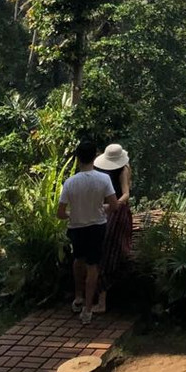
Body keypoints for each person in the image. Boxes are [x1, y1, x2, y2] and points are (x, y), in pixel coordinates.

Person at [57, 139, 117, 325]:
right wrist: (101, 210)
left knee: (78, 259)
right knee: (93, 266)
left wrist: (73, 213)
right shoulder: (103, 179)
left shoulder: (70, 182)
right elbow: (114, 205)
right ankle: (88, 309)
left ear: (77, 158)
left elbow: (60, 213)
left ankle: (78, 296)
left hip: (76, 227)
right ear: (96, 156)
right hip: (96, 227)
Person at [93, 143, 132, 315]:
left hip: (117, 213)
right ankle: (96, 297)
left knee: (108, 251)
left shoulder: (123, 169)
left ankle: (102, 301)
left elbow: (126, 193)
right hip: (101, 210)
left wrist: (113, 205)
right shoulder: (99, 170)